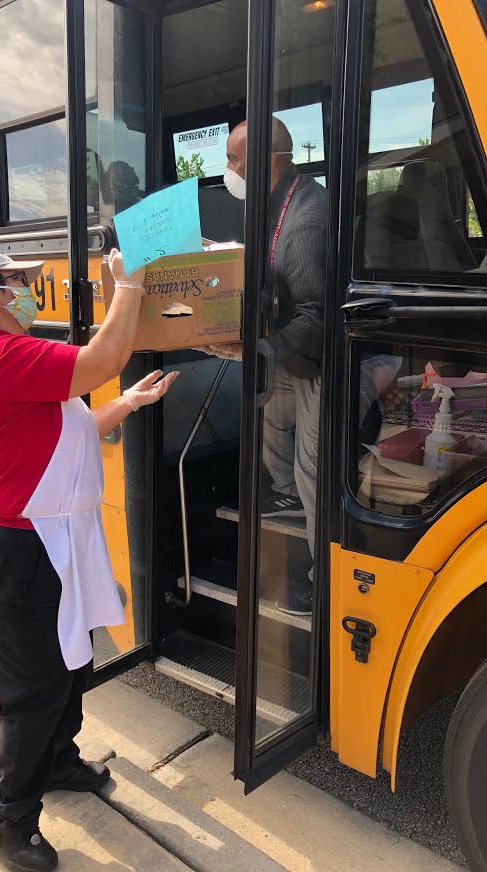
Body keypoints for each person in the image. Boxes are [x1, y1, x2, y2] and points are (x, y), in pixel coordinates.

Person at [0, 243, 178, 872]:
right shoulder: (2, 356)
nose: (27, 288)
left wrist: (128, 403)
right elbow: (103, 360)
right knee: (34, 689)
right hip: (23, 550)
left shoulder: (17, 360)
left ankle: (57, 760)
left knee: (70, 665)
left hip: (55, 541)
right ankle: (6, 820)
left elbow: (72, 429)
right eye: (17, 279)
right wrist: (130, 285)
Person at [204, 118, 328, 616]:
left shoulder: (306, 221)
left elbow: (315, 317)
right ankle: (284, 493)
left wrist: (255, 350)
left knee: (313, 467)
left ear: (265, 162)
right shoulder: (280, 200)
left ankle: (323, 585)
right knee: (269, 410)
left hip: (321, 359)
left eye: (233, 160)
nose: (228, 170)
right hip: (291, 352)